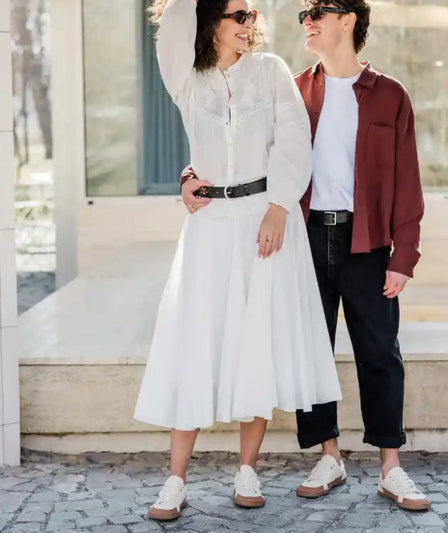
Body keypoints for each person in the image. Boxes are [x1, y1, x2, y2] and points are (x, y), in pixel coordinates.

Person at [182, 0, 430, 514]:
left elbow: (408, 180)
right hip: (302, 236)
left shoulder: (390, 95)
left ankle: (391, 466)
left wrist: (403, 255)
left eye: (319, 11)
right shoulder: (292, 87)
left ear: (349, 19)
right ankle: (328, 456)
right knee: (310, 349)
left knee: (380, 352)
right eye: (304, 15)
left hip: (367, 242)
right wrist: (190, 175)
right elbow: (239, 147)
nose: (308, 21)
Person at [134, 0, 342, 522]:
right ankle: (176, 479)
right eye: (237, 16)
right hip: (210, 226)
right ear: (210, 22)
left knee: (257, 344)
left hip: (263, 220)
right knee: (195, 342)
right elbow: (175, 21)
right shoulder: (187, 77)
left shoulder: (270, 70)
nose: (249, 25)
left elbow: (294, 138)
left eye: (252, 16)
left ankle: (247, 469)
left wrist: (278, 207)